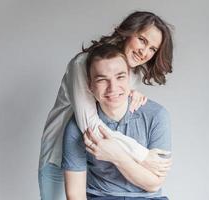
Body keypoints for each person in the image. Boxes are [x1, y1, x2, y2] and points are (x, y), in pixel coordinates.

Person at [38, 11, 173, 200]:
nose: (145, 52)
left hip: (94, 158)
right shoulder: (83, 64)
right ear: (128, 32)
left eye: (152, 49)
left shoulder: (133, 73)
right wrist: (142, 155)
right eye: (142, 40)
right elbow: (91, 127)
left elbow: (112, 110)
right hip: (61, 152)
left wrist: (133, 95)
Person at [62, 44, 171, 199]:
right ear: (90, 86)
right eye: (102, 80)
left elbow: (153, 183)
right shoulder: (78, 126)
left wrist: (116, 156)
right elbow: (75, 194)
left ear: (129, 78)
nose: (112, 88)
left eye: (120, 77)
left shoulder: (157, 115)